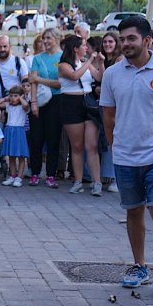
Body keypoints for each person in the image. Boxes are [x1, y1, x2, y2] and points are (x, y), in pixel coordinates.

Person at [100, 16, 153, 297]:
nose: (125, 44)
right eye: (122, 39)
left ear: (148, 41)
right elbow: (108, 116)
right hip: (125, 155)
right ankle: (139, 265)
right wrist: (115, 147)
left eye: (131, 38)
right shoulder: (112, 73)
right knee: (134, 210)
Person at [59, 34, 105, 195]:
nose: (87, 48)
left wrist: (100, 63)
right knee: (77, 146)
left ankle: (96, 181)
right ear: (75, 48)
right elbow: (74, 76)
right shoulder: (63, 65)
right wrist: (90, 60)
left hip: (88, 103)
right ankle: (78, 180)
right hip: (71, 104)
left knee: (91, 145)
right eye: (84, 45)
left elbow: (99, 77)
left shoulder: (84, 62)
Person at [28, 27, 63, 188]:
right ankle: (35, 172)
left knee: (53, 138)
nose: (46, 41)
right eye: (44, 38)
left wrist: (40, 79)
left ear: (57, 38)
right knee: (36, 138)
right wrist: (33, 102)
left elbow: (60, 83)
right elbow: (31, 80)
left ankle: (51, 174)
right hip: (39, 101)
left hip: (56, 100)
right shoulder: (37, 58)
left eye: (49, 38)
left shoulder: (62, 57)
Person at [0, 85, 30, 186]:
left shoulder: (24, 106)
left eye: (15, 96)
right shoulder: (8, 105)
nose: (13, 98)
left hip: (19, 131)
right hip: (9, 129)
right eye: (11, 96)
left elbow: (26, 105)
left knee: (21, 156)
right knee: (11, 155)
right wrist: (6, 98)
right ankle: (13, 175)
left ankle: (19, 177)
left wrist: (21, 98)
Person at [0, 35, 29, 99]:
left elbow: (26, 83)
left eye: (5, 46)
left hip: (16, 104)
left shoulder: (19, 62)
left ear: (10, 47)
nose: (2, 49)